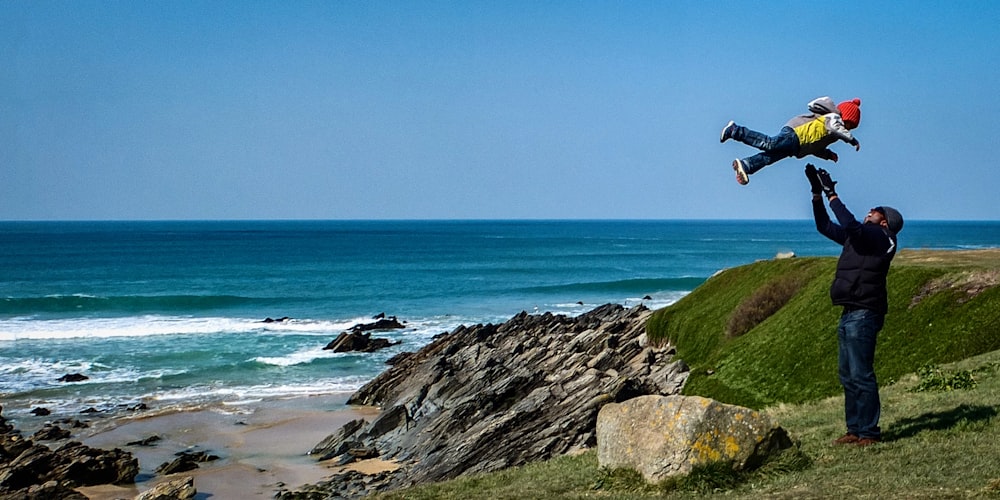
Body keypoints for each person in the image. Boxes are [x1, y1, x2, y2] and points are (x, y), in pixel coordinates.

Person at [805, 163, 902, 447]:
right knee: (848, 375)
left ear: (884, 221)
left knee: (861, 373)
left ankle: (869, 433)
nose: (869, 211)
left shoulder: (882, 237)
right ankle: (855, 430)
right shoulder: (861, 237)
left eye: (875, 211)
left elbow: (850, 224)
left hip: (865, 313)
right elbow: (825, 226)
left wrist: (832, 193)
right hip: (850, 312)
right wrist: (816, 194)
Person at [721, 97, 862, 185]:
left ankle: (746, 166)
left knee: (771, 157)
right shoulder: (833, 118)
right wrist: (852, 140)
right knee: (770, 143)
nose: (849, 129)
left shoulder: (833, 135)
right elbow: (836, 128)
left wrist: (827, 155)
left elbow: (815, 147)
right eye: (850, 125)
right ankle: (735, 130)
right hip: (795, 133)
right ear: (845, 117)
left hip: (797, 147)